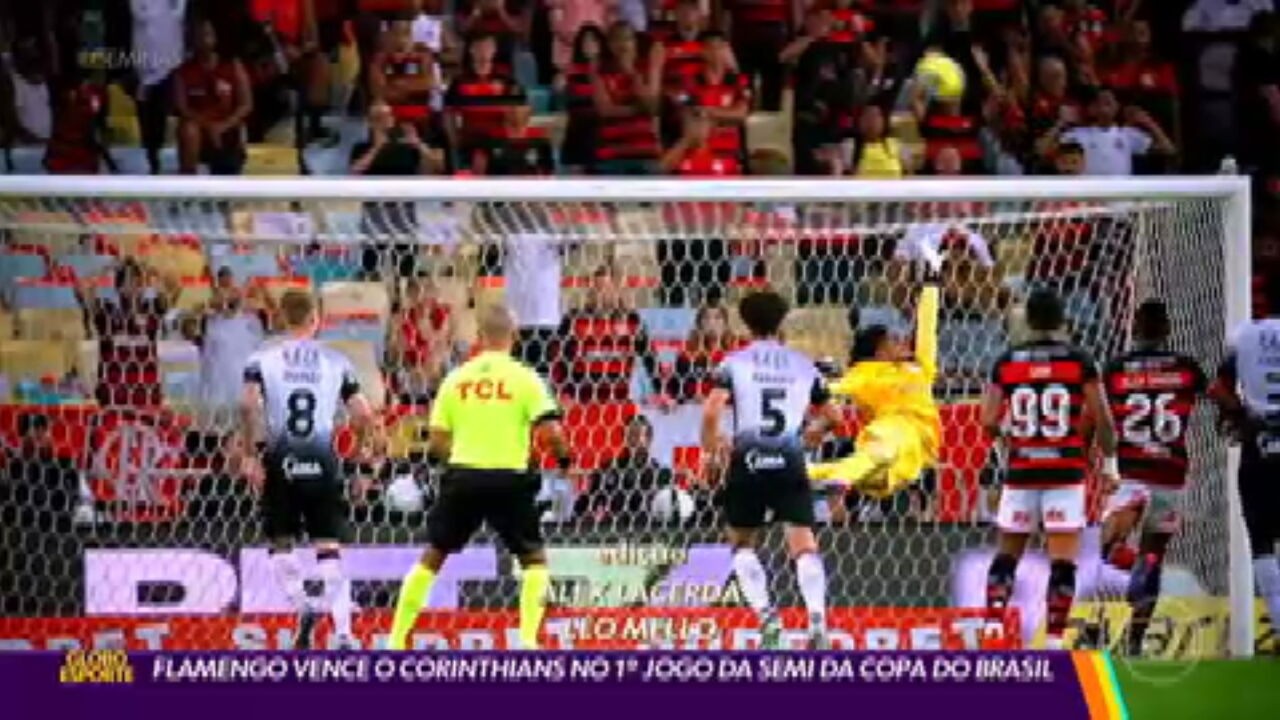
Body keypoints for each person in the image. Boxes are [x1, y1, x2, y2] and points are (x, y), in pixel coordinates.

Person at [388, 306, 573, 650]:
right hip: (510, 480)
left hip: (464, 477)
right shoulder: (525, 377)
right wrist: (564, 459)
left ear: (479, 338)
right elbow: (551, 431)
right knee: (533, 560)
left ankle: (396, 640)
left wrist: (460, 461)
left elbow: (438, 439)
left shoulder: (457, 378)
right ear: (514, 337)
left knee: (433, 556)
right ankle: (528, 642)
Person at [238, 290, 382, 650]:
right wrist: (365, 447)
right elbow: (363, 414)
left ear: (282, 318)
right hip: (322, 461)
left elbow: (247, 405)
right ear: (316, 319)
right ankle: (345, 634)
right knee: (329, 549)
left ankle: (303, 605)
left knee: (281, 544)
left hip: (280, 460)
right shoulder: (336, 360)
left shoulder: (262, 358)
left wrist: (250, 453)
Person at [980, 288, 1120, 650]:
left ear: (1028, 320)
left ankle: (993, 627)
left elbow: (988, 419)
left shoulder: (1006, 361)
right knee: (1062, 561)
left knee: (1007, 555)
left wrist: (1012, 441)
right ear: (1062, 320)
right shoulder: (1080, 361)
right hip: (1065, 472)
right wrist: (1110, 462)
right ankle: (1055, 640)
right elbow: (1103, 420)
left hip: (1023, 471)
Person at [702, 290, 842, 649]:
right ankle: (817, 622)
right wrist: (814, 431)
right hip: (790, 461)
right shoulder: (802, 364)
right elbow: (835, 417)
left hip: (748, 463)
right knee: (803, 544)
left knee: (742, 544)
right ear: (781, 323)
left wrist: (712, 446)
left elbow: (711, 410)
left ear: (746, 324)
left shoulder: (734, 362)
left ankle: (768, 621)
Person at [1099, 299, 1207, 656]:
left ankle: (1136, 570)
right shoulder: (1187, 368)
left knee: (1108, 547)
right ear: (1167, 331)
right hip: (1170, 474)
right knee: (1154, 555)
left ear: (1134, 329)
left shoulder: (1116, 370)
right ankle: (1134, 642)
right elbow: (1215, 395)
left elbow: (1097, 415)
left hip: (1132, 472)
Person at [807, 256, 943, 501]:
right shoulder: (865, 372)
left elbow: (927, 331)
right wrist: (815, 379)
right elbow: (836, 387)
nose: (901, 340)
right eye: (893, 340)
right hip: (891, 433)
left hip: (913, 454)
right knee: (880, 454)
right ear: (879, 352)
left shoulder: (919, 368)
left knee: (866, 467)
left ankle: (802, 472)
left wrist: (931, 286)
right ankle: (839, 478)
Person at [1210, 274, 1280, 646]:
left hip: (1259, 443)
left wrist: (1241, 415)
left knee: (1262, 538)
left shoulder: (1242, 337)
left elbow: (1218, 388)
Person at [173, 20, 252, 175]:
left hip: (227, 131)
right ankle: (188, 183)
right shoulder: (183, 72)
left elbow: (246, 104)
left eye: (207, 34)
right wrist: (208, 126)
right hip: (200, 131)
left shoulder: (233, 66)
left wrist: (223, 125)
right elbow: (182, 108)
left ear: (215, 37)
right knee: (188, 130)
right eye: (199, 36)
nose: (204, 40)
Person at [575, 415, 675, 525]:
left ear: (649, 438)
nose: (633, 439)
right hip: (614, 530)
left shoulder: (660, 473)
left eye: (637, 435)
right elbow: (587, 503)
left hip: (649, 531)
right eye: (629, 435)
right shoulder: (609, 468)